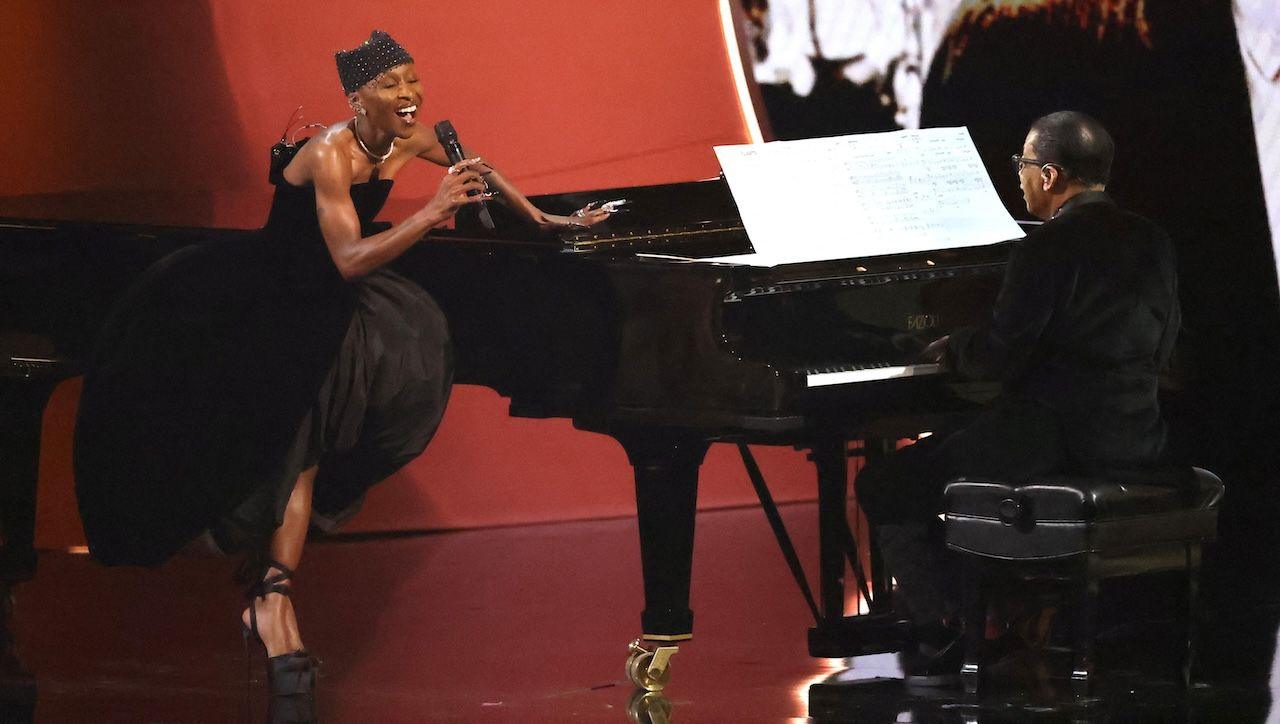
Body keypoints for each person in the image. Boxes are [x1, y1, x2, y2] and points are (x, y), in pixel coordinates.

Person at [72, 29, 609, 697]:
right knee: (293, 441)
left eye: (413, 81)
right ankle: (270, 597)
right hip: (268, 298)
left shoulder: (409, 137)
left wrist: (544, 220)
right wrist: (436, 209)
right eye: (392, 86)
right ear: (358, 99)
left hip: (332, 304)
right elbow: (349, 258)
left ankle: (272, 594)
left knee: (313, 447)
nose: (409, 95)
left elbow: (480, 169)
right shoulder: (329, 151)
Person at [854, 111, 1181, 686]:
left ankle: (953, 628)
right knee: (951, 459)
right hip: (1137, 436)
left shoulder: (1045, 248)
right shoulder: (1153, 239)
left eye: (1024, 166)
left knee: (887, 482)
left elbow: (998, 355)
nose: (1020, 178)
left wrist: (950, 349)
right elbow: (1166, 342)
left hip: (1054, 442)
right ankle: (1012, 612)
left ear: (1050, 175)